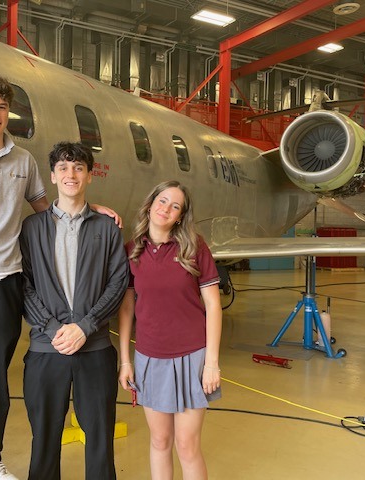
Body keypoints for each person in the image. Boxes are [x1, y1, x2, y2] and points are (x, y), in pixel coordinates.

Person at [0, 74, 120, 480]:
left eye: (1, 107)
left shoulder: (23, 161)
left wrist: (93, 210)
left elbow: (48, 211)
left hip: (6, 281)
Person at [19, 142, 129, 480]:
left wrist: (86, 326)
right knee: (45, 439)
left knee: (99, 440)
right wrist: (53, 329)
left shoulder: (107, 228)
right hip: (44, 349)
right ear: (52, 176)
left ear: (89, 176)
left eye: (79, 168)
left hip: (95, 350)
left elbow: (118, 282)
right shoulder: (32, 228)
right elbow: (23, 285)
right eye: (64, 169)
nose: (71, 174)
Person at [117, 180, 222, 480]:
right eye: (163, 201)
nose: (166, 209)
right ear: (150, 205)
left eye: (175, 206)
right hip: (150, 358)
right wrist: (126, 361)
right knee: (160, 441)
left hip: (193, 357)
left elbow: (214, 307)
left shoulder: (195, 248)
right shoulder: (132, 251)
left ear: (180, 216)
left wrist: (211, 364)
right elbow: (126, 309)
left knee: (187, 445)